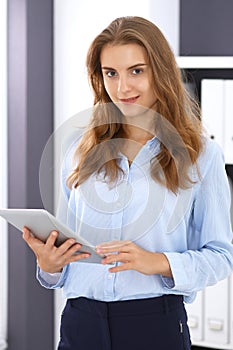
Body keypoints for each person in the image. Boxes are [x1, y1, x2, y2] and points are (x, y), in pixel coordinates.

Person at [23, 16, 233, 350]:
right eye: (111, 73)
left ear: (161, 72)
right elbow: (66, 251)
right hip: (80, 322)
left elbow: (221, 256)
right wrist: (49, 265)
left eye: (137, 70)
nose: (123, 87)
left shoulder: (201, 155)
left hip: (155, 322)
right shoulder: (78, 149)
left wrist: (158, 262)